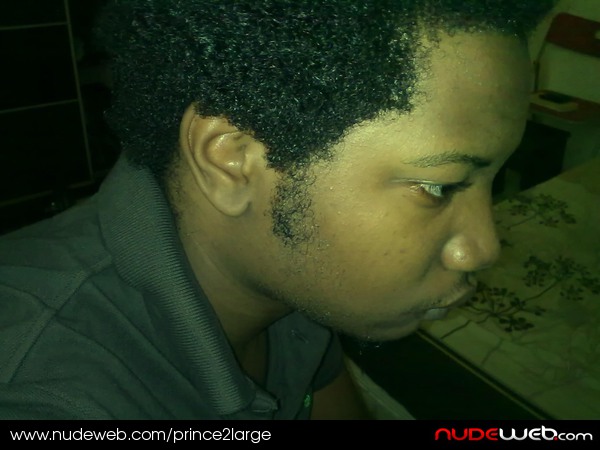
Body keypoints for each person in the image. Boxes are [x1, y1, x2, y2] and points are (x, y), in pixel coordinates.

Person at [0, 0, 557, 420]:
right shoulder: (45, 394)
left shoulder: (289, 267)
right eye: (438, 186)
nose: (482, 249)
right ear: (233, 160)